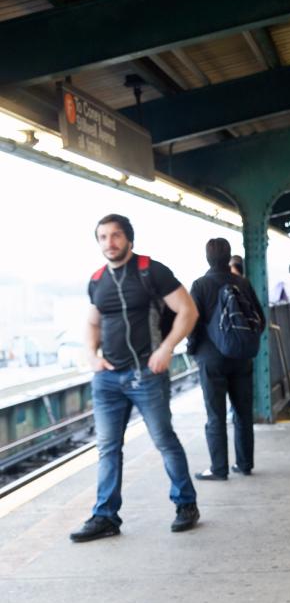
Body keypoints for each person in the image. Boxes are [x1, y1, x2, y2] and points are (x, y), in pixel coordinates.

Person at [70, 214, 200, 542]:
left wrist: (167, 348)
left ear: (129, 238)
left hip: (147, 374)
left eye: (115, 236)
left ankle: (186, 504)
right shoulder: (97, 280)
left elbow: (188, 311)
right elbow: (93, 322)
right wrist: (91, 354)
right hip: (108, 379)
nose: (109, 243)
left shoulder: (151, 271)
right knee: (107, 447)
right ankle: (105, 516)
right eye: (102, 237)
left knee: (163, 440)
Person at [188, 238, 266, 479]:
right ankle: (244, 464)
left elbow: (191, 323)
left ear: (207, 258)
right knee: (243, 413)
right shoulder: (242, 283)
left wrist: (193, 349)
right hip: (241, 358)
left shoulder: (200, 285)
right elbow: (259, 320)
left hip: (211, 359)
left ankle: (219, 468)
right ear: (229, 256)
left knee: (216, 415)